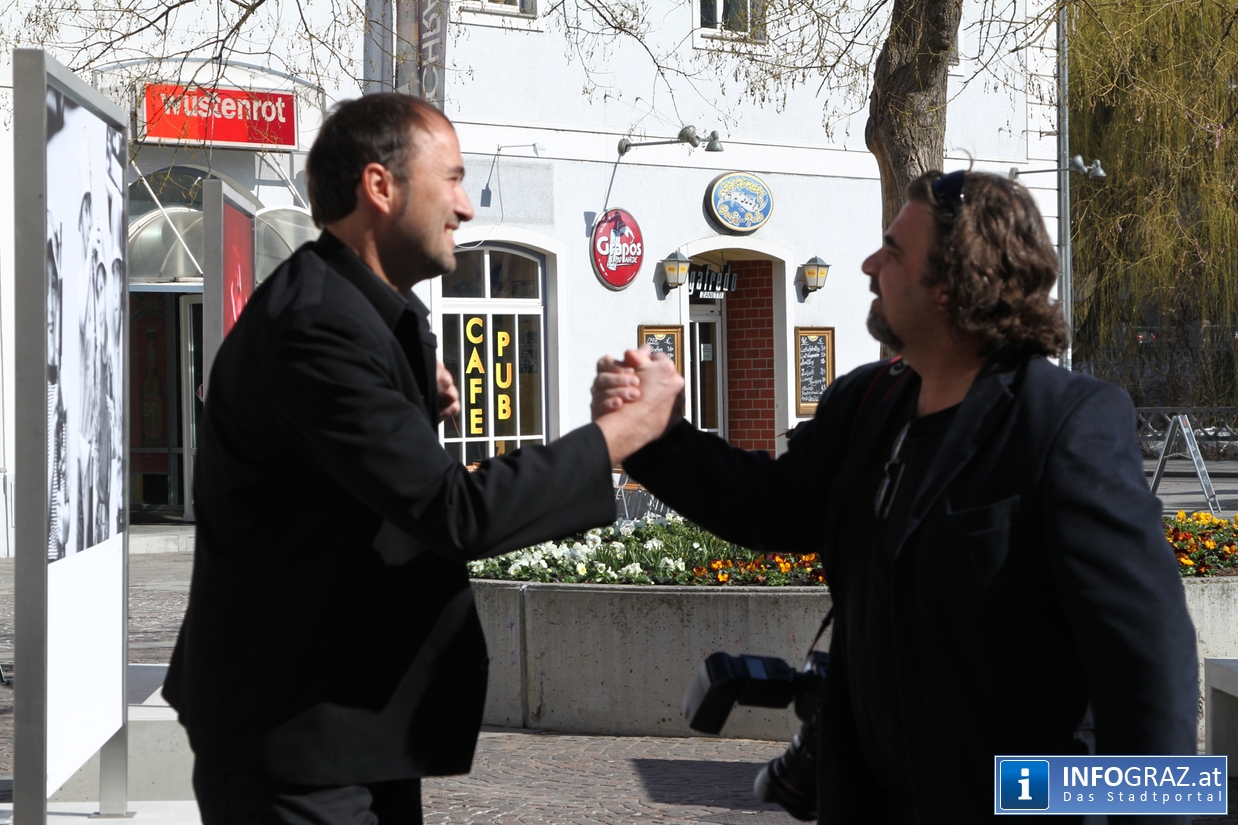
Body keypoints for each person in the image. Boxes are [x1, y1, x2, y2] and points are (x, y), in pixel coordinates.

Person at [594, 170, 1198, 824]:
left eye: (893, 251)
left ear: (954, 287)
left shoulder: (1065, 423)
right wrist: (651, 433)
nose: (868, 264)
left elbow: (1149, 665)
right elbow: (769, 503)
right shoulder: (867, 402)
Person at [163, 93, 683, 825]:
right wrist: (624, 433)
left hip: (346, 732)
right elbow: (453, 511)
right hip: (295, 742)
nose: (467, 207)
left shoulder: (352, 309)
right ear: (381, 186)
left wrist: (411, 400)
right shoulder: (319, 324)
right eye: (454, 180)